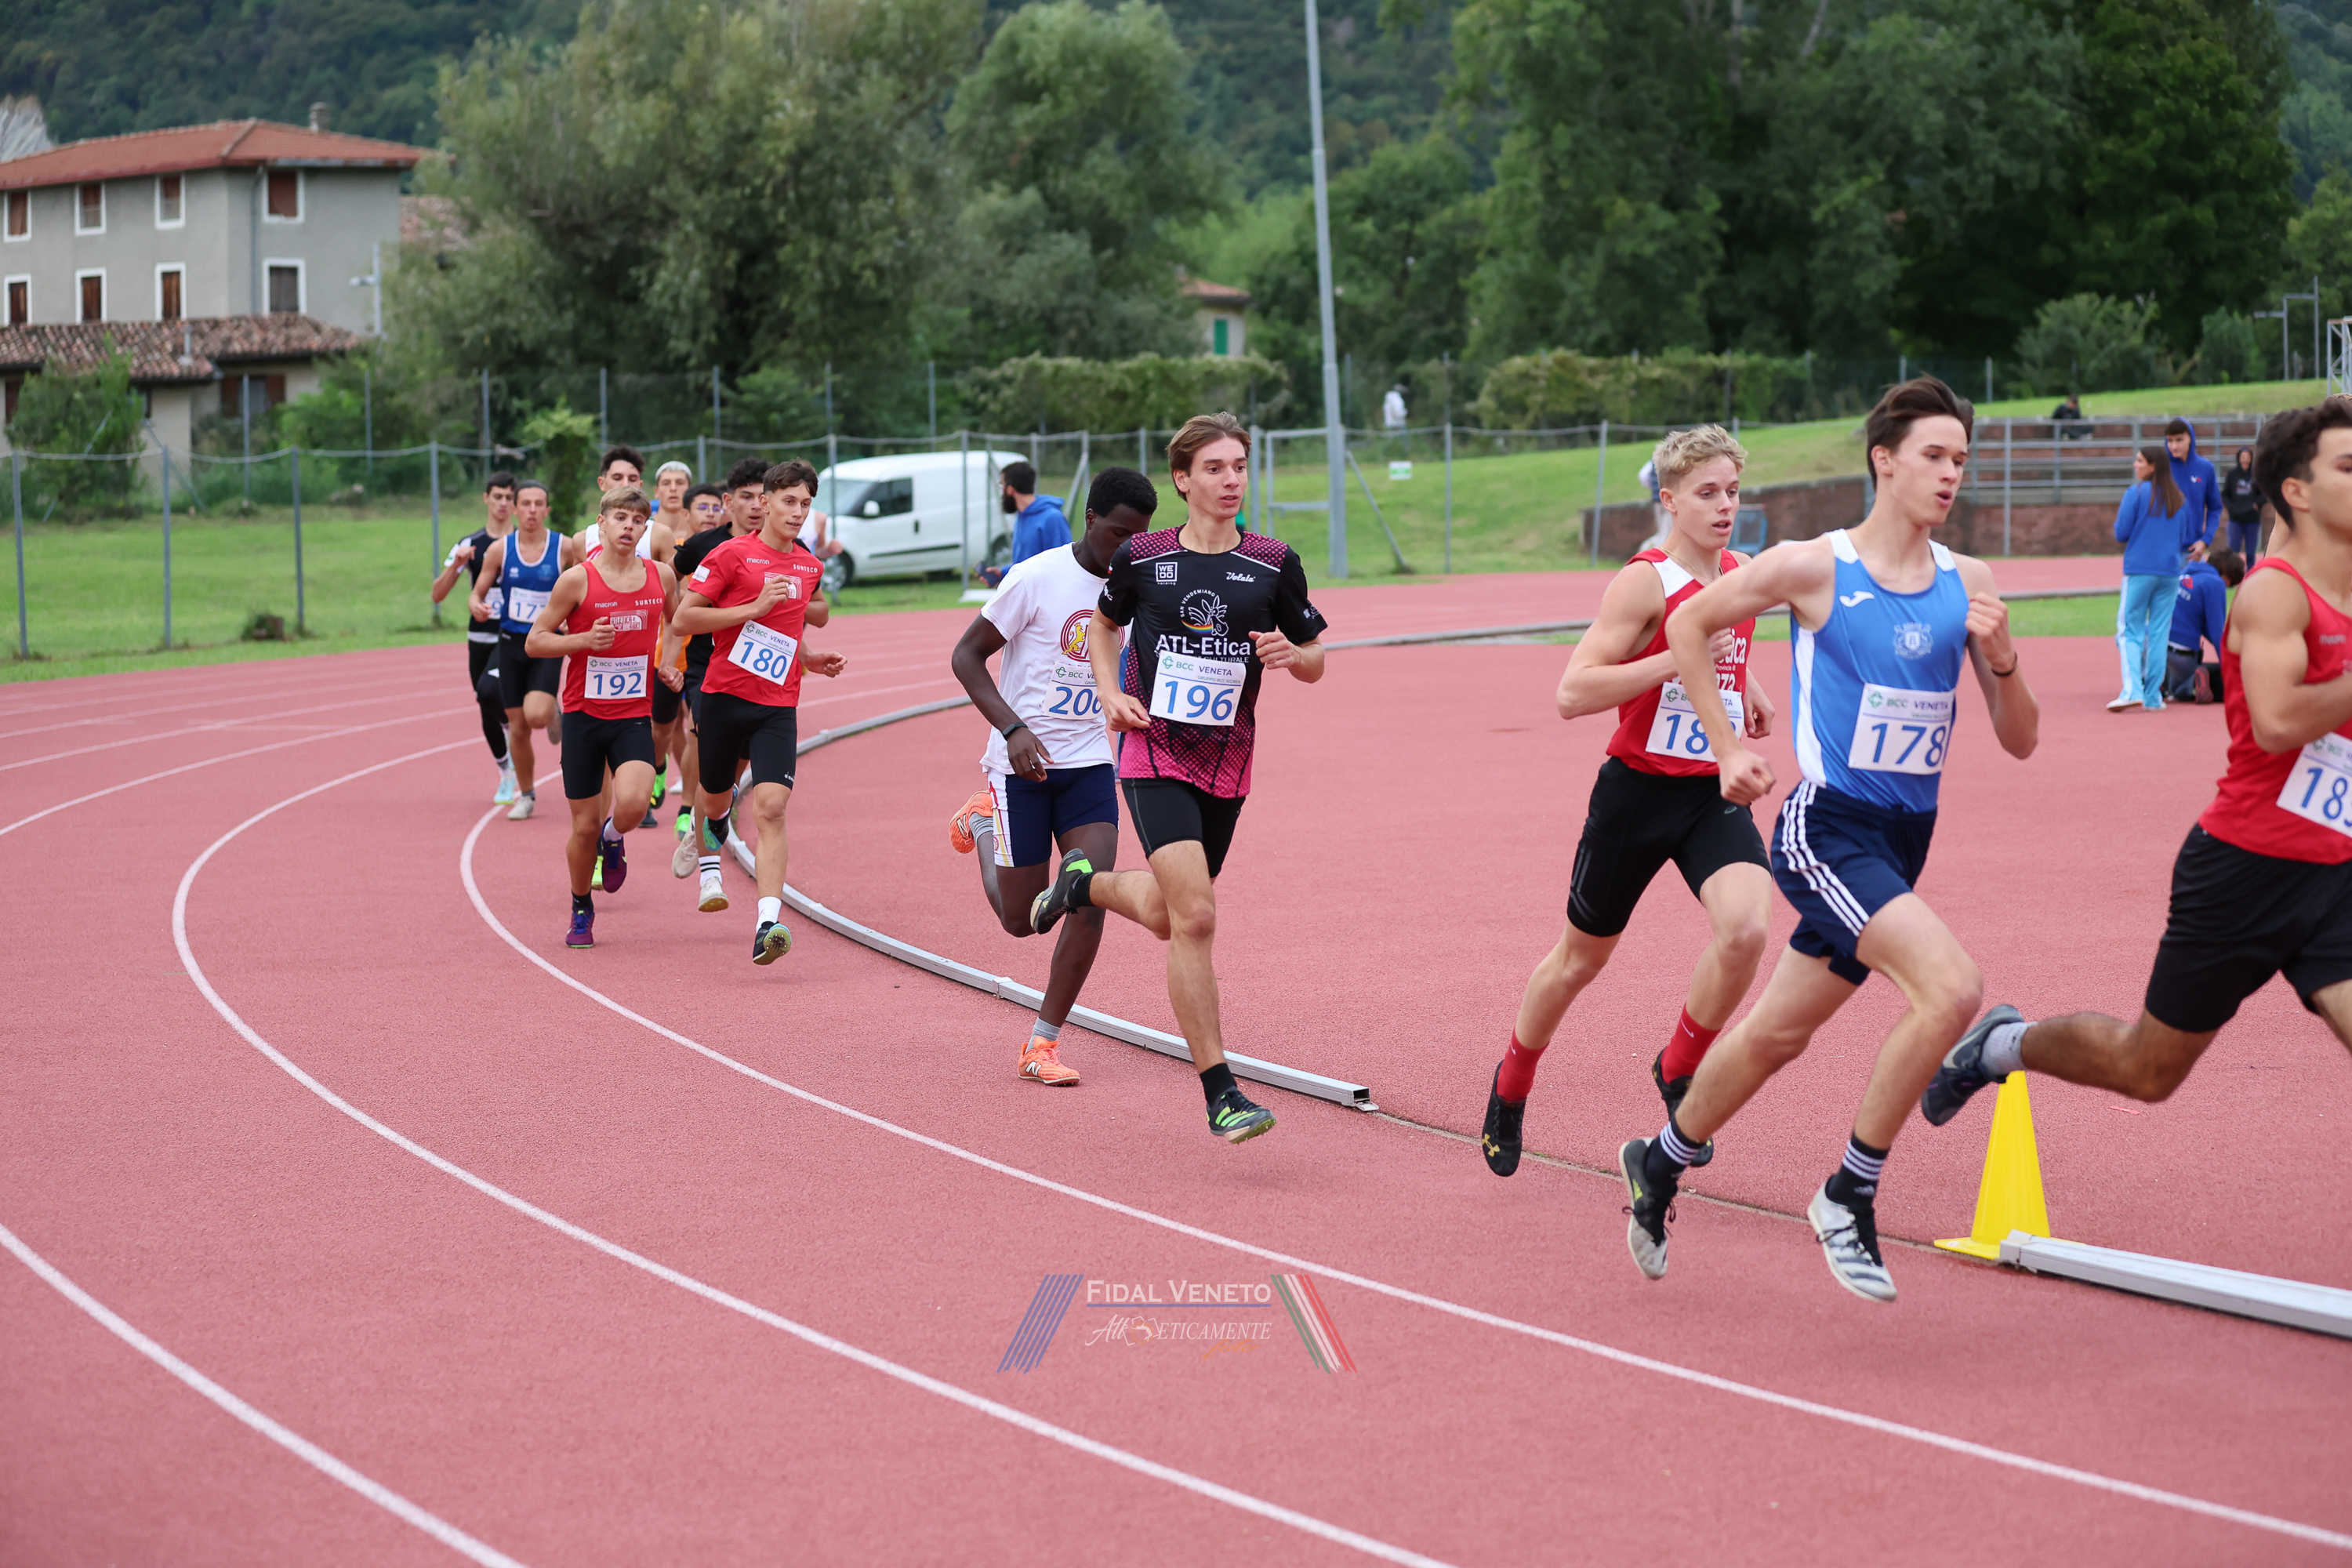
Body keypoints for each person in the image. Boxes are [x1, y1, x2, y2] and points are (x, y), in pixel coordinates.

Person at [1615, 376, 2039, 1303]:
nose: (1951, 473)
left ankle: (1660, 1158)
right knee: (1951, 987)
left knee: (1777, 1032)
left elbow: (2021, 738)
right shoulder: (1816, 566)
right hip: (1827, 828)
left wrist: (2004, 659)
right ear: (1885, 460)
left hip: (1905, 838)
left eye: (1961, 459)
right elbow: (1689, 622)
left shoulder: (1970, 583)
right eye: (1934, 455)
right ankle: (1849, 1191)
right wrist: (1727, 748)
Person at [1920, 397, 2352, 1128]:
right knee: (2146, 1069)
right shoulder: (2277, 592)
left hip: (2334, 870)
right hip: (2247, 871)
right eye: (2348, 466)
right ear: (2298, 492)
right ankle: (2002, 1044)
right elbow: (2278, 722)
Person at [1480, 426, 1776, 1178]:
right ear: (1669, 500)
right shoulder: (1644, 582)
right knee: (1580, 961)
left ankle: (1679, 1067)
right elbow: (1573, 693)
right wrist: (1672, 660)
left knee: (1746, 931)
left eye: (1733, 491)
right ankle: (1511, 1084)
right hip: (1637, 794)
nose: (1725, 506)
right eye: (1707, 493)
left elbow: (1725, 651)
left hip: (1708, 791)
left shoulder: (1741, 573)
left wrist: (1748, 688)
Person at [1027, 412, 1330, 1144]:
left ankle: (1083, 886)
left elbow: (1316, 659)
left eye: (1240, 467)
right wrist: (1109, 691)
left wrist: (1292, 655)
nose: (1231, 480)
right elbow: (1105, 627)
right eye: (1216, 468)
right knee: (1195, 918)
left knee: (1168, 915)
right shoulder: (1143, 556)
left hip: (1228, 760)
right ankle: (1222, 1092)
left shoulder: (1273, 561)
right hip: (1153, 749)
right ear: (1183, 479)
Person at [946, 468, 1158, 1086]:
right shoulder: (1035, 578)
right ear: (1089, 519)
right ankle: (983, 821)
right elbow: (966, 656)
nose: (1127, 547)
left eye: (1139, 537)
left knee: (1089, 894)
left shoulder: (1136, 587)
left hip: (1089, 762)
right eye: (1117, 533)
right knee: (1022, 921)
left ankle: (1042, 1043)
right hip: (1022, 767)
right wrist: (1012, 729)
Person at [671, 459, 848, 964]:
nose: (798, 513)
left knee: (771, 807)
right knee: (714, 799)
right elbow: (684, 619)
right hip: (724, 698)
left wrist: (810, 658)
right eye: (789, 502)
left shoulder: (808, 566)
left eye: (806, 504)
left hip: (777, 706)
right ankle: (712, 821)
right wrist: (750, 608)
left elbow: (791, 628)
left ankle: (767, 923)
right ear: (765, 503)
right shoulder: (730, 555)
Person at [525, 487, 681, 949]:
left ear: (645, 528)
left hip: (633, 714)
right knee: (583, 827)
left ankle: (614, 839)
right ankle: (581, 906)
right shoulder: (577, 580)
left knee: (633, 805)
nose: (629, 526)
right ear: (602, 523)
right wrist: (581, 642)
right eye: (620, 518)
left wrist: (667, 662)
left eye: (638, 520)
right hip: (583, 717)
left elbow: (678, 622)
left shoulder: (661, 576)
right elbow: (536, 641)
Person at [666, 461, 767, 907]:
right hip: (707, 668)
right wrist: (668, 649)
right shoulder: (705, 546)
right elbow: (670, 585)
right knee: (706, 747)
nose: (756, 506)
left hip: (761, 677)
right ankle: (711, 873)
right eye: (746, 496)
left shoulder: (790, 550)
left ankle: (708, 818)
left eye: (763, 497)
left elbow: (815, 611)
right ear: (730, 502)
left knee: (732, 775)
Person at [468, 480, 586, 822]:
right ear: (515, 509)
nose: (532, 510)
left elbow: (588, 581)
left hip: (546, 642)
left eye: (538, 504)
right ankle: (527, 794)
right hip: (511, 644)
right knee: (517, 727)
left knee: (535, 715)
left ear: (547, 509)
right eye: (526, 504)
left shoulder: (564, 547)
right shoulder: (500, 550)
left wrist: (574, 619)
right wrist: (476, 605)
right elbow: (477, 592)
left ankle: (550, 712)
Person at [430, 470, 519, 802]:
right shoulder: (469, 544)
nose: (503, 503)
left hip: (512, 635)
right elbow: (437, 594)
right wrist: (456, 564)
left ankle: (518, 728)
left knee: (488, 690)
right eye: (497, 497)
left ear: (516, 503)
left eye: (509, 498)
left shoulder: (525, 543)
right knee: (485, 703)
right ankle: (506, 772)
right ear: (486, 499)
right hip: (480, 636)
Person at [662, 480, 729, 869]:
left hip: (738, 658)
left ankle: (704, 806)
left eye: (714, 507)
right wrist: (669, 658)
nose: (710, 514)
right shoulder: (690, 548)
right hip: (690, 651)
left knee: (701, 733)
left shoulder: (753, 548)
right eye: (702, 507)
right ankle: (685, 801)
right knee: (677, 725)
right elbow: (670, 599)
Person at [2109, 444, 2197, 713]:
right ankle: (2153, 697)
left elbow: (2121, 532)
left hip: (2140, 570)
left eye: (2139, 461)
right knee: (2159, 633)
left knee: (2129, 630)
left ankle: (2132, 690)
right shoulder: (2178, 498)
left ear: (2153, 466)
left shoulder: (2136, 493)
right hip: (2170, 572)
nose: (2135, 465)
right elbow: (2185, 537)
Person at [2164, 547, 2245, 705]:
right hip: (2182, 654)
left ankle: (2161, 683)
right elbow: (2217, 633)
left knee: (2171, 683)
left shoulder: (2186, 574)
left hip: (2157, 645)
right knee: (2224, 686)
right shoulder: (2215, 583)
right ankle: (2194, 680)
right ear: (2226, 576)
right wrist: (2230, 666)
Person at [2165, 417, 2223, 562]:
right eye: (2170, 441)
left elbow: (2215, 507)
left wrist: (2205, 540)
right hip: (2163, 552)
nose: (2174, 446)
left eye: (2179, 440)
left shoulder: (2205, 468)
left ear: (2190, 438)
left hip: (2192, 552)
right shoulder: (2161, 468)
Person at [1004, 462, 1070, 567]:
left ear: (1010, 490)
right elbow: (1025, 565)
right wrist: (1002, 573)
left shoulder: (1052, 518)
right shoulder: (1022, 516)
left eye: (1002, 485)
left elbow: (1063, 564)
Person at [2222, 445, 2265, 561]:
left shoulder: (2256, 474)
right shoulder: (2232, 475)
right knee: (2233, 552)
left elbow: (2264, 493)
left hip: (2252, 518)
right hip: (2236, 518)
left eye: (2247, 457)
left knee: (2251, 552)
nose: (2245, 460)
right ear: (2239, 458)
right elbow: (2225, 494)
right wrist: (2231, 508)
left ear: (2251, 459)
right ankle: (2233, 572)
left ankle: (2251, 572)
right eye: (2243, 457)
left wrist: (2257, 505)